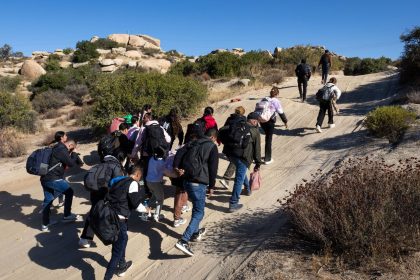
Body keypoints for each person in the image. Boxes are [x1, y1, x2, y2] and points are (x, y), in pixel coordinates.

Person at [173, 125, 219, 256]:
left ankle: (195, 233)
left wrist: (176, 167)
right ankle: (183, 240)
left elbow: (179, 153)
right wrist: (212, 186)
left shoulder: (193, 142)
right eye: (215, 139)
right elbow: (213, 169)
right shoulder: (211, 147)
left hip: (186, 181)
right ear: (212, 137)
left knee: (196, 207)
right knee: (199, 212)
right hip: (199, 183)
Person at [103, 164, 147, 280]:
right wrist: (146, 210)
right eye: (140, 177)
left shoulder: (118, 180)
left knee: (122, 240)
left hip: (110, 216)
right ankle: (108, 277)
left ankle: (122, 265)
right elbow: (136, 204)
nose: (139, 179)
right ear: (137, 174)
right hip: (119, 220)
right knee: (117, 251)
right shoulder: (133, 183)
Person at [79, 149, 125, 248]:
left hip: (94, 192)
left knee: (94, 213)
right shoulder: (115, 166)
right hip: (105, 193)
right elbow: (119, 184)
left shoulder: (98, 166)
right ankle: (109, 236)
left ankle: (85, 238)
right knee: (105, 214)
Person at [40, 131, 83, 231]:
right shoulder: (61, 149)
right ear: (70, 144)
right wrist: (75, 153)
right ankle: (67, 215)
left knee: (48, 199)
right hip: (53, 178)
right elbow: (71, 164)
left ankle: (45, 224)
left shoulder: (55, 147)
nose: (66, 137)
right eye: (65, 136)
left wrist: (71, 153)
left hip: (44, 178)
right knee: (69, 192)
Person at [225, 112, 264, 212]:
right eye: (257, 121)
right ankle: (233, 203)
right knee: (239, 178)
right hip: (243, 157)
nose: (257, 123)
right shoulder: (255, 131)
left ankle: (247, 189)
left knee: (240, 172)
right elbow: (257, 149)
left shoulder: (238, 126)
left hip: (231, 154)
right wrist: (258, 163)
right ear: (253, 120)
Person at [219, 106, 246, 189]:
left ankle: (242, 181)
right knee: (236, 161)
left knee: (236, 163)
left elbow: (223, 129)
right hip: (236, 145)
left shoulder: (229, 118)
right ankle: (226, 178)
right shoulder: (243, 120)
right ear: (243, 113)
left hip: (227, 145)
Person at [260, 87, 288, 165]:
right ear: (277, 94)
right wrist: (285, 121)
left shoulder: (264, 99)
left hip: (261, 121)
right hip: (269, 122)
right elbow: (281, 112)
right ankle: (267, 158)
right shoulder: (276, 101)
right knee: (268, 139)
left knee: (267, 137)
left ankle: (263, 155)